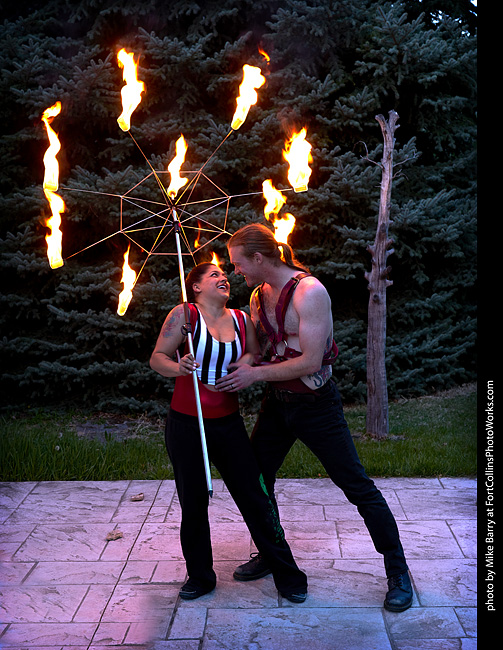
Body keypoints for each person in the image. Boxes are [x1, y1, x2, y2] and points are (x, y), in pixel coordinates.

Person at [215, 223, 413, 613]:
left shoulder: (310, 292)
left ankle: (398, 571)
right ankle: (273, 552)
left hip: (316, 406)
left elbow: (309, 361)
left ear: (259, 257)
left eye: (238, 263)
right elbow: (258, 350)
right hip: (277, 403)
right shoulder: (258, 296)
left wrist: (255, 375)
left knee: (356, 486)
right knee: (255, 479)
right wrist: (226, 354)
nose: (235, 271)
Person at [150, 261, 308, 603]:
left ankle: (288, 574)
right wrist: (179, 366)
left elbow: (253, 352)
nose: (224, 278)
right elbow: (157, 358)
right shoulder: (185, 316)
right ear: (195, 286)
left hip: (228, 423)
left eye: (224, 274)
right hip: (187, 424)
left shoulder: (240, 318)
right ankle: (200, 577)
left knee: (255, 497)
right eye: (214, 275)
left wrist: (246, 363)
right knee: (194, 502)